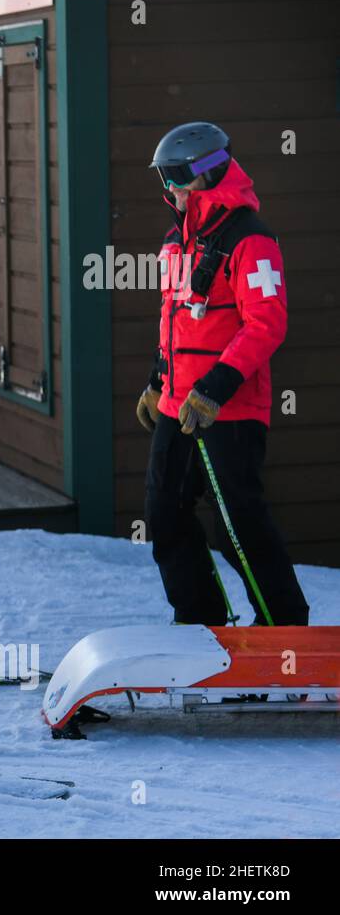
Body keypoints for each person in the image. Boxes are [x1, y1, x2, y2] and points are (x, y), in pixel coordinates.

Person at [137, 121, 309, 626]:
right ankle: (201, 623)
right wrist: (156, 382)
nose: (168, 188)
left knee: (239, 527)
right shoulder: (176, 241)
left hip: (228, 409)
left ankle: (285, 628)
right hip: (177, 406)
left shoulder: (251, 239)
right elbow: (172, 319)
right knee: (164, 517)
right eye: (163, 177)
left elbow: (266, 323)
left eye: (175, 176)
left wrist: (214, 388)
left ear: (205, 174)